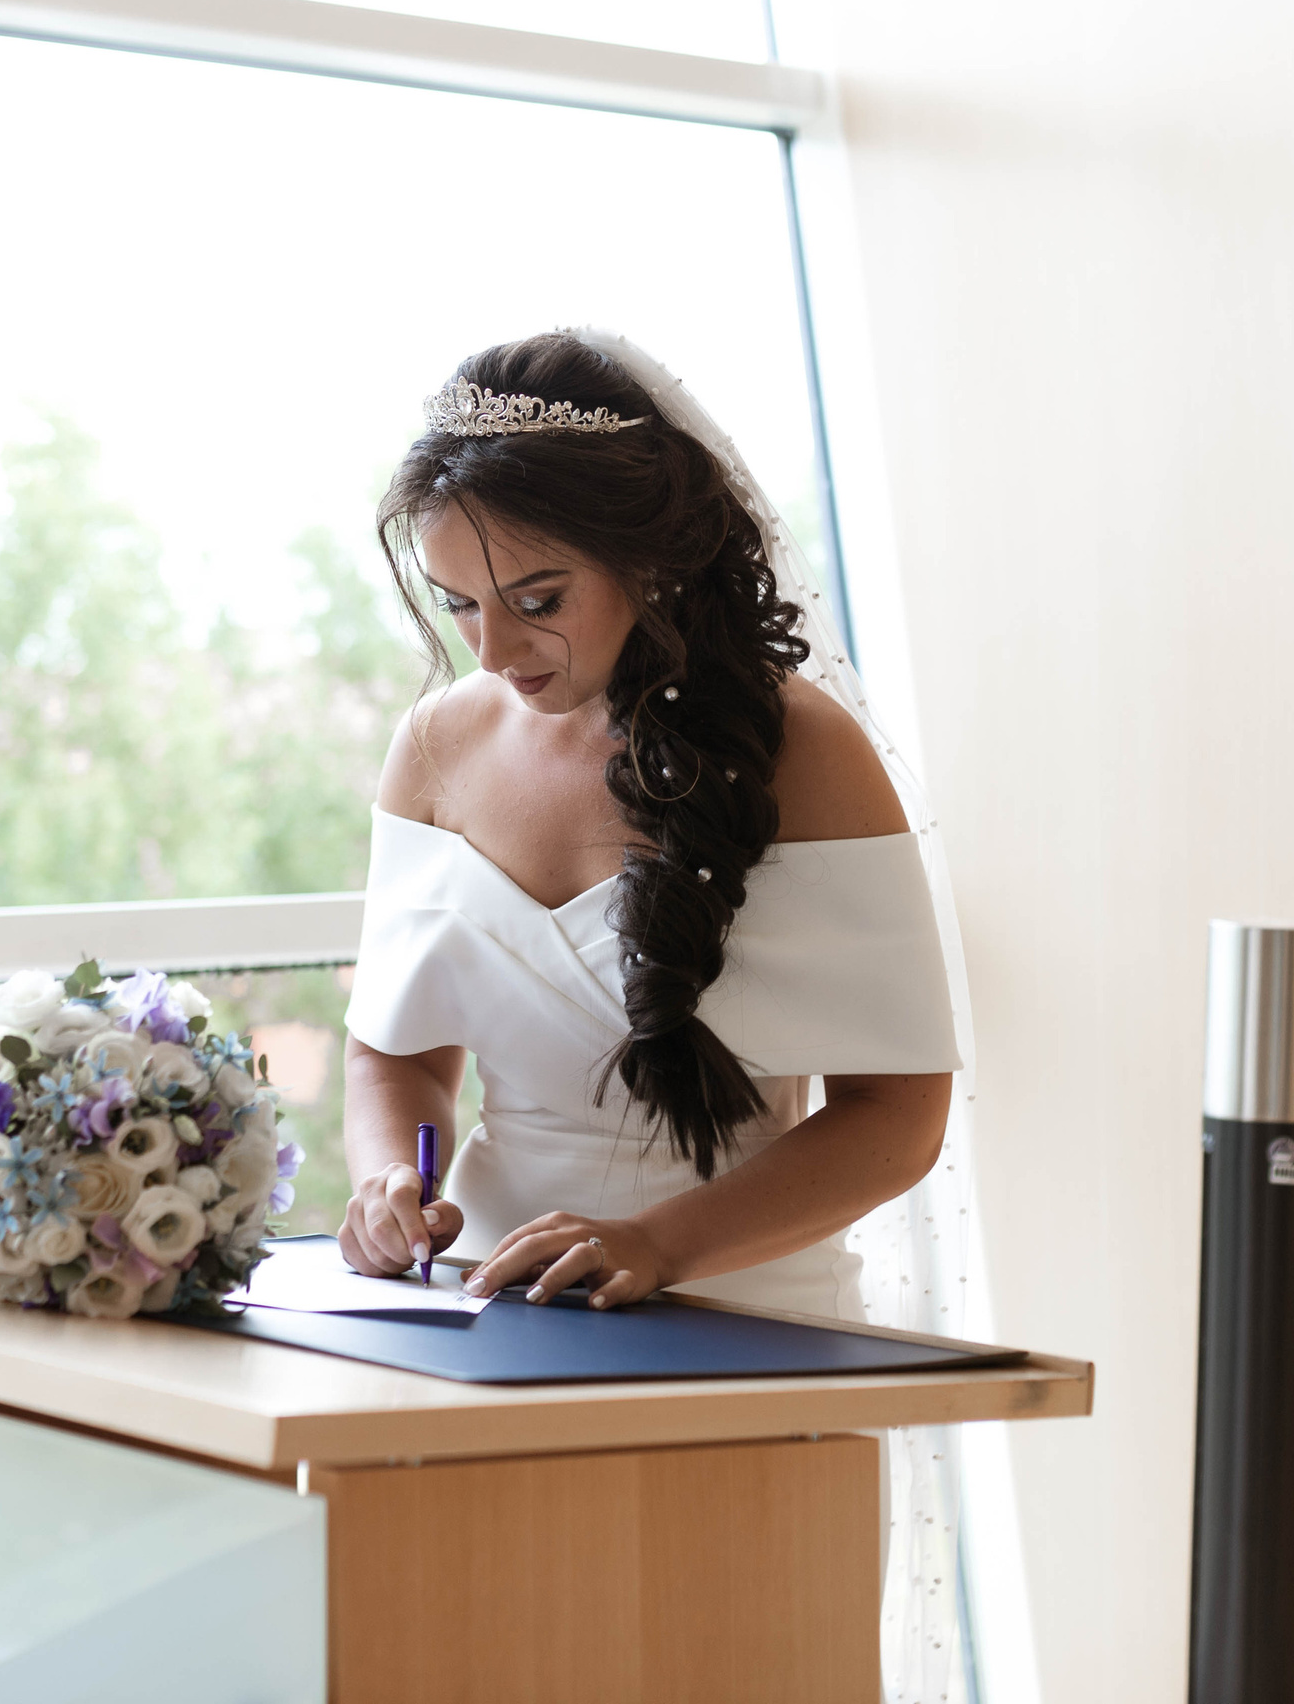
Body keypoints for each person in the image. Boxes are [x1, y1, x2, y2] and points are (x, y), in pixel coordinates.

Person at [338, 328, 960, 1321]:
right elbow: (395, 1051)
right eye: (458, 604)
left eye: (536, 599)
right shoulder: (435, 744)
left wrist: (659, 1244)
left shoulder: (803, 748)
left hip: (743, 1307)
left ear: (646, 559)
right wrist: (386, 1179)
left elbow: (896, 1120)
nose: (492, 649)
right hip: (481, 1307)